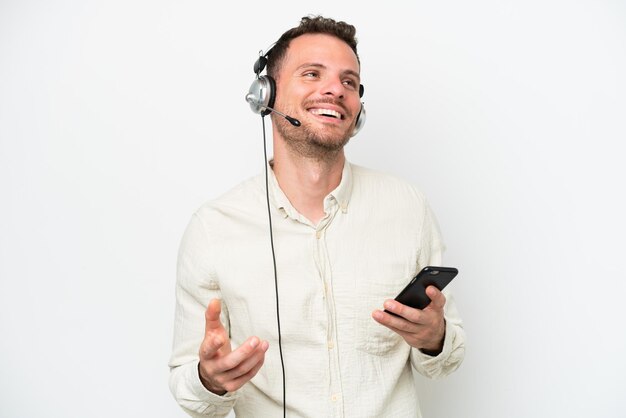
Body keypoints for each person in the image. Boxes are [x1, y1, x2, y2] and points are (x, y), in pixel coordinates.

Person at [169, 15, 465, 418]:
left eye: (349, 82)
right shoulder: (213, 227)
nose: (335, 90)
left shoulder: (407, 206)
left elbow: (446, 360)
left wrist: (435, 338)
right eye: (312, 74)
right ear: (265, 94)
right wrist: (210, 380)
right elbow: (189, 391)